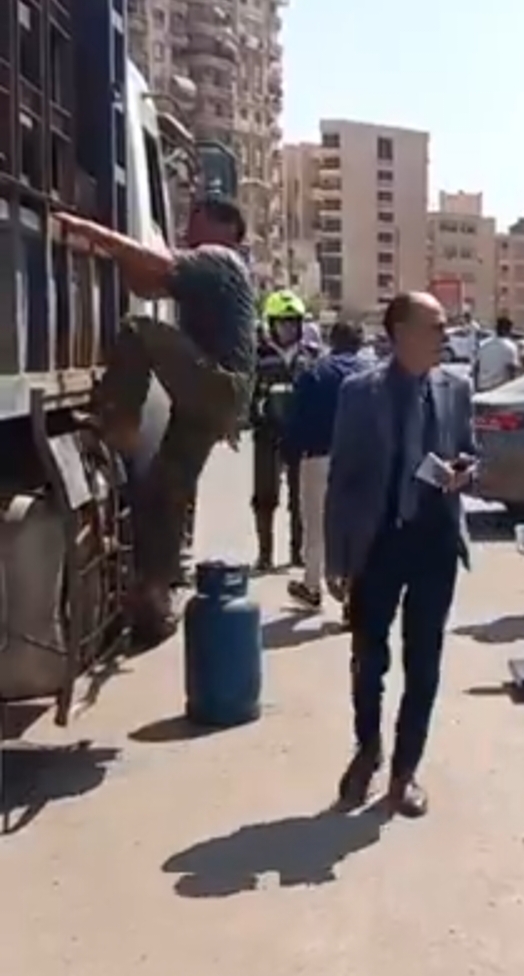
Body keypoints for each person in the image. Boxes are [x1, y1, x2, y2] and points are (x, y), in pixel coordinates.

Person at [55, 197, 256, 646]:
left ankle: (119, 423)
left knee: (137, 330)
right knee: (165, 493)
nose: (187, 230)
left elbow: (155, 267)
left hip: (215, 383)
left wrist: (88, 231)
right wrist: (119, 254)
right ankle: (154, 600)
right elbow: (148, 285)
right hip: (218, 399)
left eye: (196, 220)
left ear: (225, 227)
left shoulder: (219, 258)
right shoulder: (214, 275)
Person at [326, 291, 476, 818]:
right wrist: (336, 558)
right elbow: (342, 479)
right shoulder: (359, 393)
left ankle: (405, 771)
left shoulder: (457, 388)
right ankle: (367, 749)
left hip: (435, 541)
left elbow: (471, 452)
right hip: (379, 541)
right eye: (435, 327)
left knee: (424, 660)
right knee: (369, 658)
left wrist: (464, 472)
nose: (445, 336)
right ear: (402, 333)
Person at [285, 320, 364, 610]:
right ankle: (353, 596)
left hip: (319, 457)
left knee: (315, 525)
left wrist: (290, 456)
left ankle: (311, 585)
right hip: (362, 461)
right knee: (356, 527)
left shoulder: (315, 372)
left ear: (331, 341)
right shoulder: (372, 373)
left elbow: (297, 418)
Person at [251, 289, 319, 572]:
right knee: (264, 497)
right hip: (267, 435)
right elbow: (248, 395)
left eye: (292, 322)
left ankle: (297, 552)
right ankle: (265, 554)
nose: (287, 328)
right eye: (282, 322)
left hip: (299, 437)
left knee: (299, 498)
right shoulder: (258, 357)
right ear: (271, 324)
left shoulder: (310, 357)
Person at [474, 316, 520, 392]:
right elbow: (513, 370)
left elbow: (476, 368)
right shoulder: (510, 347)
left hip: (483, 387)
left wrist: (476, 387)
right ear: (509, 330)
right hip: (500, 390)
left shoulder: (484, 345)